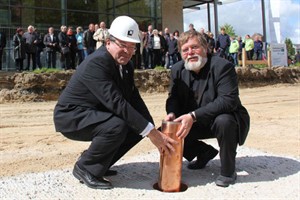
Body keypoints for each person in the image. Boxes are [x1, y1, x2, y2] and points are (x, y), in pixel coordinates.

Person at [53, 16, 177, 190]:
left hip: (95, 113)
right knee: (117, 125)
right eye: (123, 45)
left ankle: (100, 164)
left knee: (137, 127)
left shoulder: (125, 64)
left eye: (132, 47)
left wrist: (151, 129)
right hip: (72, 116)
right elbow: (117, 103)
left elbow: (133, 97)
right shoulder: (97, 62)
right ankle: (85, 167)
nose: (128, 51)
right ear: (108, 42)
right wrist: (151, 133)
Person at [164, 30, 250, 187]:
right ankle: (203, 152)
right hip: (193, 122)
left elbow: (228, 100)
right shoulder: (176, 69)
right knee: (166, 130)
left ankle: (228, 171)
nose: (190, 52)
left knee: (225, 121)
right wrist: (171, 113)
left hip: (220, 120)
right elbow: (173, 98)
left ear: (206, 48)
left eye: (194, 47)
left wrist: (193, 115)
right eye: (185, 49)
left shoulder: (223, 66)